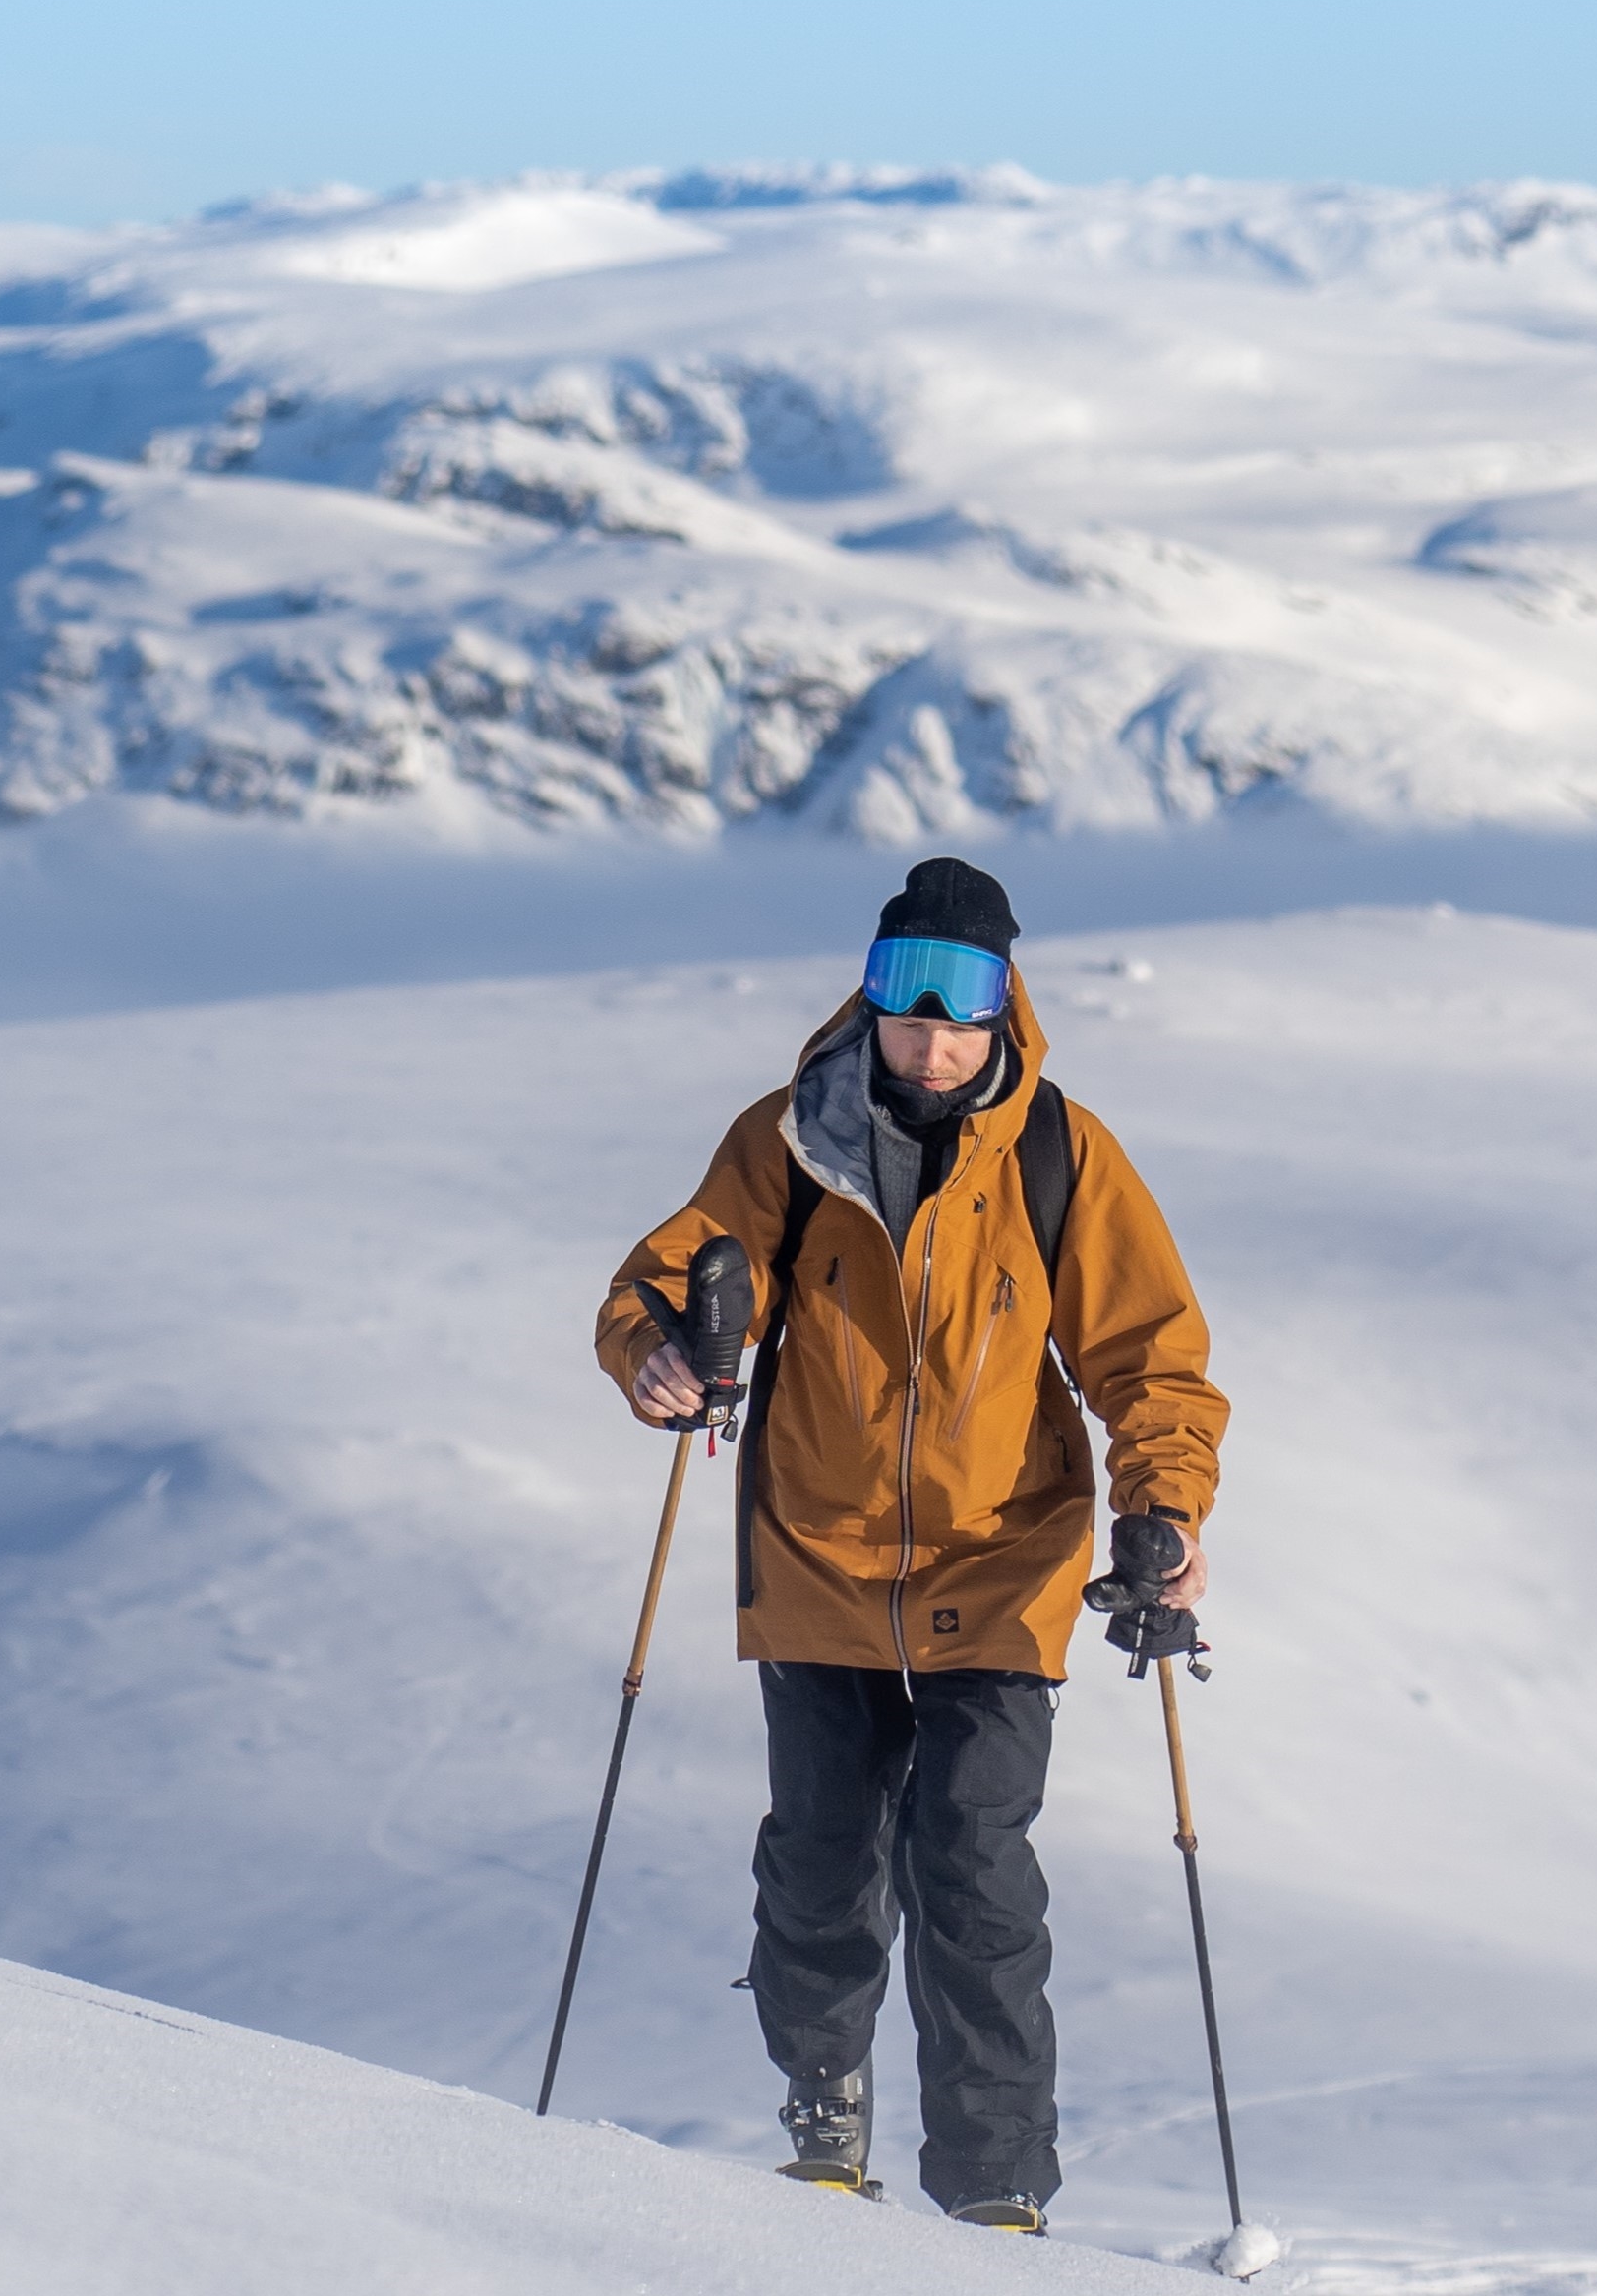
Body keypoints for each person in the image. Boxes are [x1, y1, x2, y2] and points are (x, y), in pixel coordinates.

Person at [593, 856, 1228, 2232]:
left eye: (964, 1001)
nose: (932, 1033)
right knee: (820, 1861)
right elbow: (676, 1275)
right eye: (903, 993)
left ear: (1007, 1007)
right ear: (868, 995)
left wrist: (1161, 1505)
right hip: (818, 1560)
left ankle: (993, 2182)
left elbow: (1152, 1360)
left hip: (1001, 1568)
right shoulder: (790, 1140)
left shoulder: (1060, 1154)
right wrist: (660, 1353)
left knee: (974, 1866)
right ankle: (826, 2110)